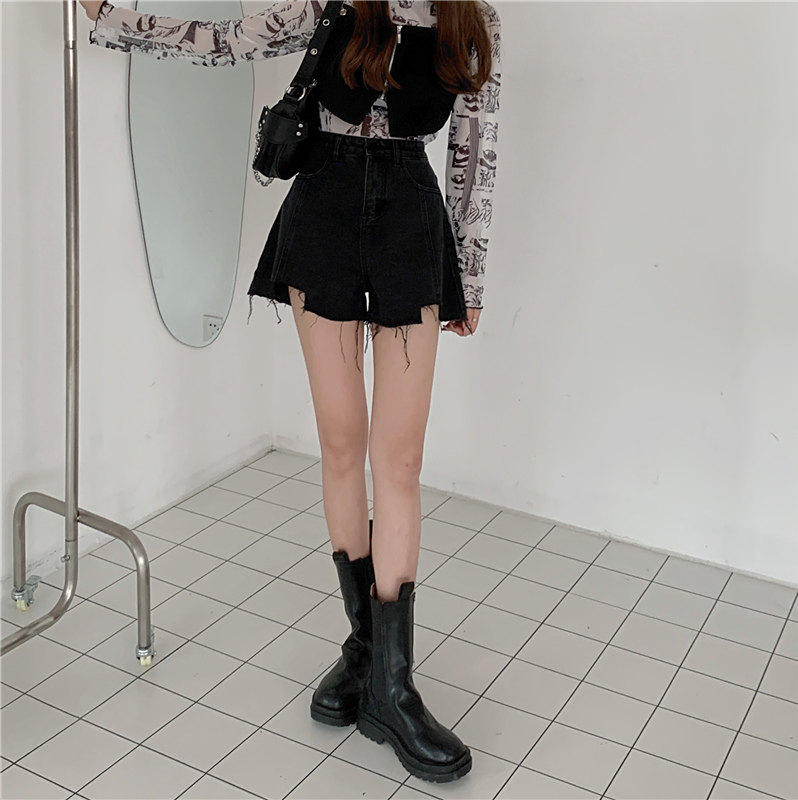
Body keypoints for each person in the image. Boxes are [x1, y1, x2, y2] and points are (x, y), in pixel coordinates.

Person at [79, 0, 501, 783]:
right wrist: (111, 19)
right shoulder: (333, 2)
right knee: (341, 444)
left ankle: (393, 688)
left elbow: (477, 153)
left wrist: (468, 277)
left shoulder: (471, 19)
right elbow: (224, 41)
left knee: (399, 461)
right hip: (325, 214)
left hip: (411, 223)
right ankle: (367, 653)